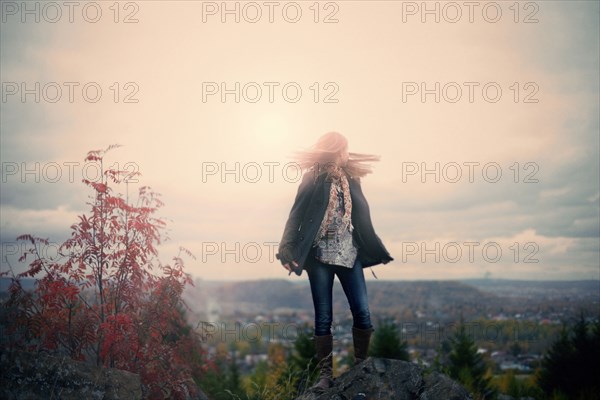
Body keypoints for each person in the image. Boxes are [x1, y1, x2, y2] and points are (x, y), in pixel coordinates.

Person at [276, 131, 393, 391]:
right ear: (336, 151)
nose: (347, 155)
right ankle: (326, 376)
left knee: (362, 312)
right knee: (323, 317)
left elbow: (362, 217)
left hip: (349, 254)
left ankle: (361, 365)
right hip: (318, 256)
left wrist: (373, 243)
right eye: (345, 150)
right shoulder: (312, 179)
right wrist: (287, 248)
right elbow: (295, 215)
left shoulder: (352, 179)